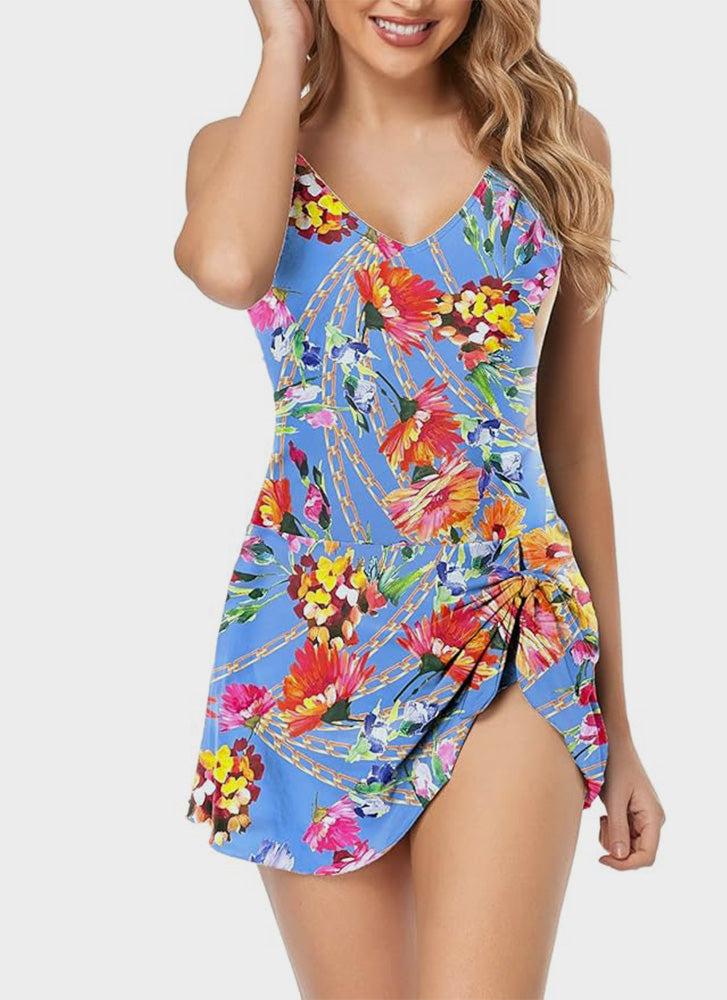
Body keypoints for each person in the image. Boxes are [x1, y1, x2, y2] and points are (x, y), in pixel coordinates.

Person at [175, 2, 666, 996]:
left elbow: (572, 441)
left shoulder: (555, 148)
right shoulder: (239, 150)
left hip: (509, 628)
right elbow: (227, 266)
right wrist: (281, 44)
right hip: (314, 649)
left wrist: (619, 728)